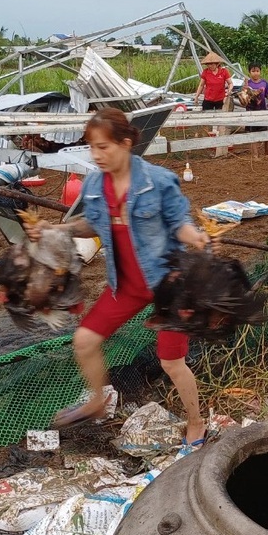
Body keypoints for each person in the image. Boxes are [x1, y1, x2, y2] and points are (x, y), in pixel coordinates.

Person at [28, 108, 212, 445]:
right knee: (84, 341)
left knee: (171, 361)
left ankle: (197, 422)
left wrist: (196, 238)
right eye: (92, 147)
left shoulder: (158, 181)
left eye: (104, 147)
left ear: (126, 143)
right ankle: (98, 402)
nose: (96, 155)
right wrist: (58, 229)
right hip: (126, 283)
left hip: (167, 284)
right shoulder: (96, 183)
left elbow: (179, 223)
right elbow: (93, 223)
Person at [242, 63, 268, 158]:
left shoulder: (264, 83)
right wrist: (246, 93)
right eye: (253, 71)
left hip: (262, 111)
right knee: (253, 135)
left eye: (257, 71)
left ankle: (266, 154)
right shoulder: (247, 83)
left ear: (260, 72)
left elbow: (267, 94)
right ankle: (255, 156)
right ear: (249, 72)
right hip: (251, 112)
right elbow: (243, 96)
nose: (255, 73)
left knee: (265, 134)